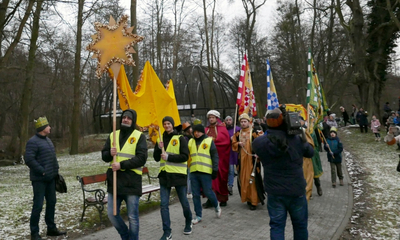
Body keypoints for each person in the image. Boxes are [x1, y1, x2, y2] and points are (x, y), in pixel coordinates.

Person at [252, 108, 314, 239]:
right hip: (296, 191)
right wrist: (302, 138)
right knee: (300, 225)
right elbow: (310, 153)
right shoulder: (296, 140)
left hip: (274, 191)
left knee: (276, 226)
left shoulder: (259, 142)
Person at [101, 109, 147, 240]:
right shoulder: (113, 135)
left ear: (133, 121)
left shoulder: (139, 136)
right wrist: (109, 153)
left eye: (129, 118)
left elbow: (141, 158)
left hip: (131, 182)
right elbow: (104, 156)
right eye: (124, 117)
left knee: (132, 216)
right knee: (112, 214)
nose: (125, 119)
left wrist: (122, 165)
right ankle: (126, 237)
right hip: (115, 181)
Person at [25, 117, 67, 240]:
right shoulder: (32, 142)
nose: (50, 127)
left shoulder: (48, 140)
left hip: (50, 179)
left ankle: (51, 228)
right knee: (38, 205)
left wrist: (56, 170)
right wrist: (42, 172)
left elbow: (52, 158)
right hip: (39, 180)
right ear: (43, 128)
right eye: (48, 126)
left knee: (52, 203)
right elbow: (29, 160)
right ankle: (34, 233)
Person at [153, 117, 193, 239]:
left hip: (178, 175)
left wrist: (169, 158)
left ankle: (188, 222)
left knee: (184, 202)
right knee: (164, 205)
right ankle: (167, 231)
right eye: (164, 124)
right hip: (165, 176)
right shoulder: (160, 139)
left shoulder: (180, 138)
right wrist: (158, 148)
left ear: (173, 125)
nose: (166, 126)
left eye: (168, 123)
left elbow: (185, 156)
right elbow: (156, 158)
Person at [188, 124, 221, 224]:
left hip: (205, 171)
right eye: (195, 131)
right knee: (195, 195)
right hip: (193, 171)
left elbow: (215, 156)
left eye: (198, 131)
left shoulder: (209, 141)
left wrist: (215, 169)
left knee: (208, 192)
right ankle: (198, 215)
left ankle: (216, 205)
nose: (197, 133)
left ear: (203, 132)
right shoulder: (190, 141)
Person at [232, 113, 265, 210]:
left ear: (248, 122)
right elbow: (233, 143)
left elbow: (260, 143)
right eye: (241, 122)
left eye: (245, 121)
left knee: (253, 180)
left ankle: (254, 201)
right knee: (244, 180)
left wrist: (258, 153)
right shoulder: (238, 133)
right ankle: (247, 199)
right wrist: (238, 143)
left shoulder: (254, 132)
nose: (243, 123)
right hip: (242, 161)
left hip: (252, 161)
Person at [203, 110, 231, 207]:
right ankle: (211, 199)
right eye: (209, 117)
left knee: (221, 178)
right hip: (208, 159)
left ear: (216, 118)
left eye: (213, 117)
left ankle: (223, 198)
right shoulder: (206, 129)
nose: (211, 119)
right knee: (210, 179)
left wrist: (212, 141)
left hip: (220, 158)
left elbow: (226, 142)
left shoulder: (222, 129)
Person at [224, 116, 240, 195]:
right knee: (231, 171)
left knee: (239, 170)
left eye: (230, 120)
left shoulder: (237, 129)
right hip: (228, 152)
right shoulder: (224, 130)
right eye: (227, 120)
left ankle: (241, 185)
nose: (229, 121)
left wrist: (235, 139)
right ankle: (230, 185)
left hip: (237, 152)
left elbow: (242, 138)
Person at [182, 122, 193, 199]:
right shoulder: (186, 138)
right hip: (189, 159)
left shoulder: (188, 137)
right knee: (189, 176)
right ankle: (189, 191)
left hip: (190, 159)